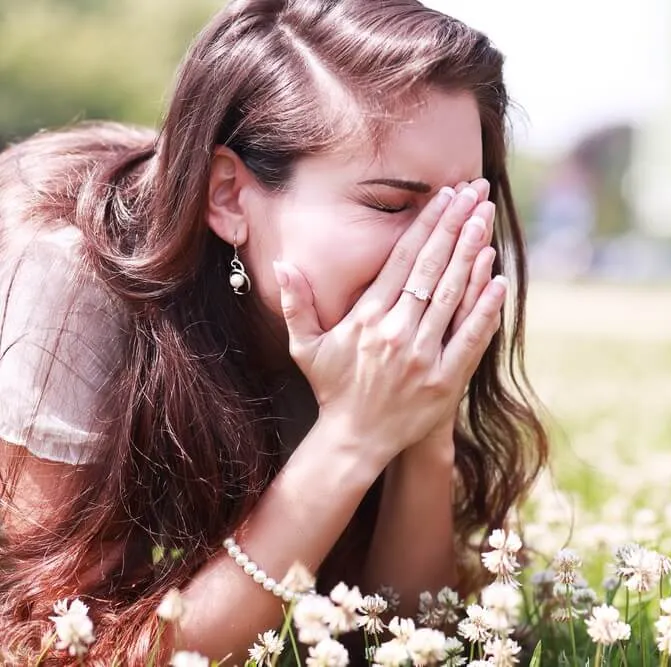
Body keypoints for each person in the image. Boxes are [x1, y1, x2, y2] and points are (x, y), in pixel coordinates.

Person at [0, 0, 548, 663]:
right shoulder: (72, 272)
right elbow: (57, 645)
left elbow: (403, 633)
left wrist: (421, 422)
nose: (442, 246)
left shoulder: (355, 322)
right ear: (229, 195)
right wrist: (352, 437)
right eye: (391, 203)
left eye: (468, 204)